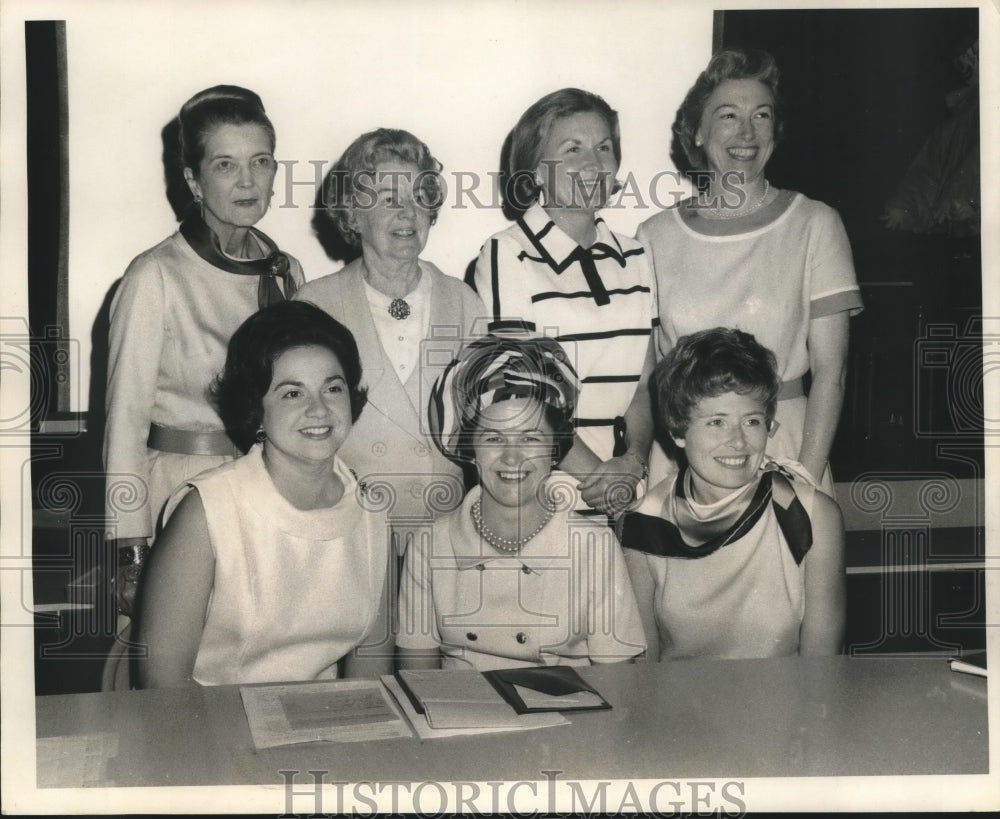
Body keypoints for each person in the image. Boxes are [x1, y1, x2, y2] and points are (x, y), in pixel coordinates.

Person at [104, 85, 303, 613]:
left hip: (267, 487)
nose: (247, 180)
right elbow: (124, 421)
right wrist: (131, 548)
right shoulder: (156, 276)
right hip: (181, 493)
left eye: (261, 162)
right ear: (193, 179)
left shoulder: (286, 272)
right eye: (224, 165)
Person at [638, 49, 863, 492]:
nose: (747, 132)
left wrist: (804, 480)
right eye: (728, 116)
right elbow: (647, 376)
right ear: (697, 133)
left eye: (761, 116)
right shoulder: (654, 236)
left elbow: (830, 374)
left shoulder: (814, 224)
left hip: (786, 450)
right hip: (683, 457)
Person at [136, 301, 393, 687]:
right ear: (256, 410)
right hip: (214, 731)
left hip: (327, 729)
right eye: (292, 394)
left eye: (333, 388)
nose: (319, 409)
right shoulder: (207, 510)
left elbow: (371, 677)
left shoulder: (371, 510)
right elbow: (162, 683)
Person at [397, 334, 646, 671]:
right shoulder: (428, 545)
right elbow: (419, 682)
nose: (512, 457)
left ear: (555, 448)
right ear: (470, 448)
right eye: (494, 437)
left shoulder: (594, 547)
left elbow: (620, 688)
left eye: (530, 437)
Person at [296, 129, 486, 554]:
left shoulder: (464, 301)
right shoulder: (313, 304)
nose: (408, 214)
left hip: (445, 534)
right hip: (345, 533)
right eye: (388, 199)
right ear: (353, 214)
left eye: (420, 197)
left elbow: (485, 427)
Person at [473, 88, 656, 519]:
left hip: (630, 486)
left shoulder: (636, 255)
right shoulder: (506, 253)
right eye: (572, 149)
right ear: (535, 171)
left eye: (604, 148)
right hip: (546, 488)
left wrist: (633, 462)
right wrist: (599, 480)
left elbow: (644, 385)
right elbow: (519, 390)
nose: (593, 164)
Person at [621, 328, 846, 661]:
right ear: (678, 430)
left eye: (752, 421)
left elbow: (822, 670)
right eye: (716, 422)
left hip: (788, 708)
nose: (739, 442)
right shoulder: (644, 522)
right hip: (679, 710)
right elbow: (642, 673)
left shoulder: (812, 515)